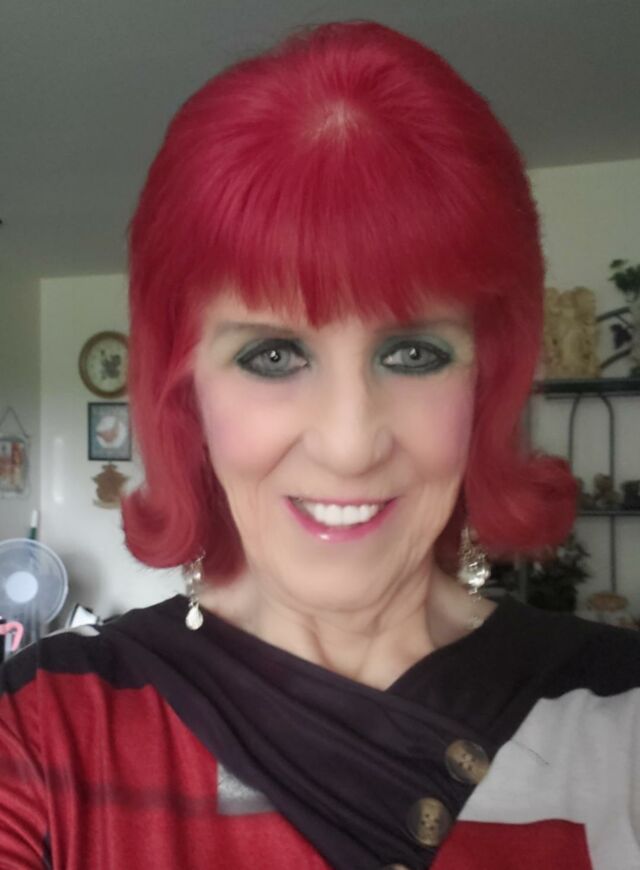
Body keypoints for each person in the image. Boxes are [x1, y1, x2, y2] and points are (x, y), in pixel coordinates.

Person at [1, 20, 639, 870]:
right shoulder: (42, 731)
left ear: (487, 381)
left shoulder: (621, 724)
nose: (348, 445)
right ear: (186, 391)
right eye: (273, 355)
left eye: (413, 354)